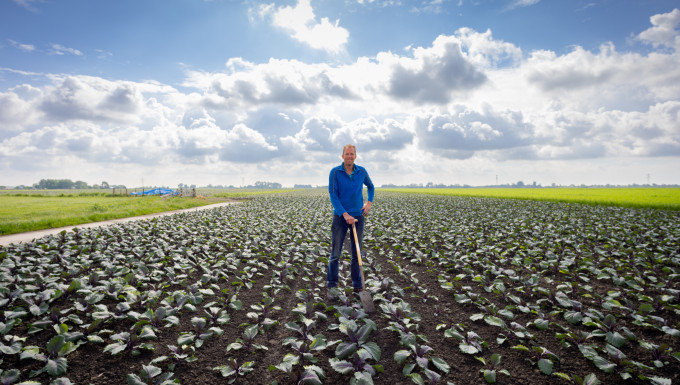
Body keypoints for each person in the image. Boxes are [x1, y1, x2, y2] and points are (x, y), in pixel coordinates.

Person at [327, 144, 375, 301]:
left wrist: (368, 203)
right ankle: (332, 285)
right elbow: (333, 195)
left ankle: (357, 284)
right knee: (335, 254)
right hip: (340, 218)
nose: (349, 156)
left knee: (357, 253)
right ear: (342, 156)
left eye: (352, 154)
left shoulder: (361, 171)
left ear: (355, 156)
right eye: (347, 154)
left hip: (358, 217)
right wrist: (345, 214)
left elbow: (371, 187)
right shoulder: (335, 172)